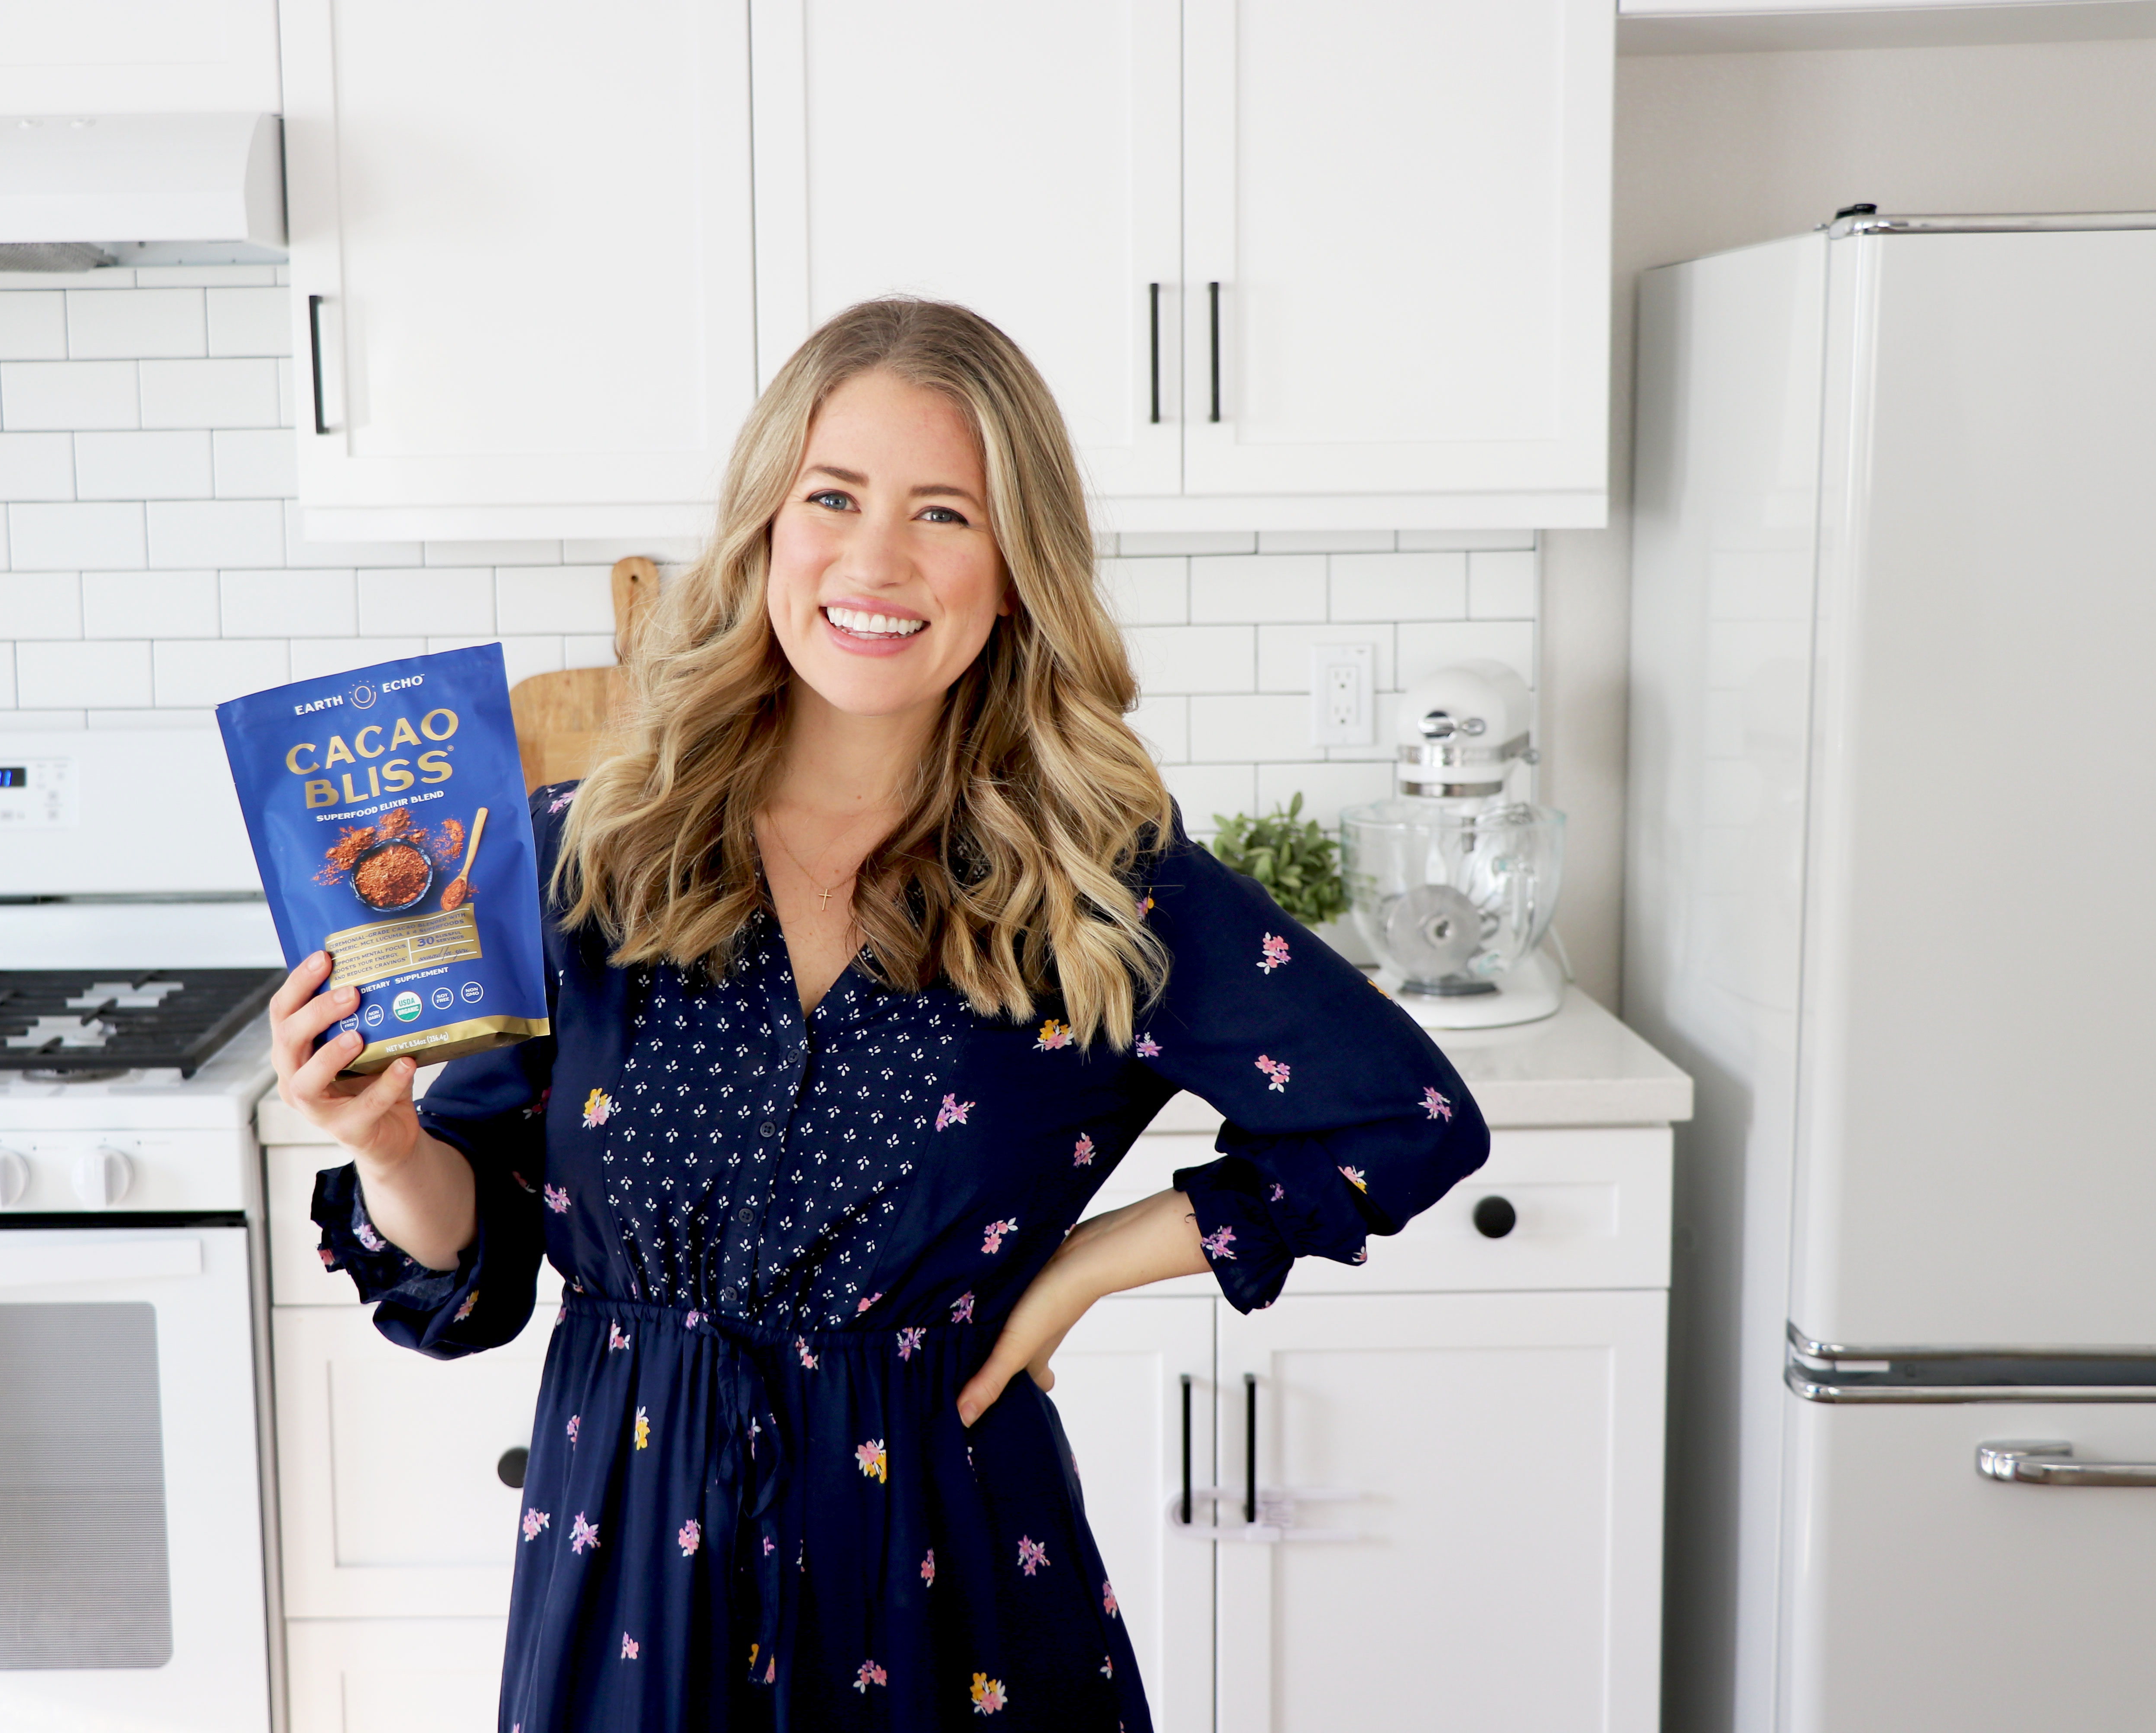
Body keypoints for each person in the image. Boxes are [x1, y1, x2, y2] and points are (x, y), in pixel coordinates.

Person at [270, 298, 1489, 1731]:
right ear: (766, 534)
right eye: (832, 497)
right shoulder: (583, 854)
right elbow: (468, 1280)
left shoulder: (1096, 883)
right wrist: (387, 1142)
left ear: (1016, 569)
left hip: (947, 1583)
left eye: (944, 514)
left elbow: (1406, 1119)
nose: (875, 560)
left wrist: (1085, 1268)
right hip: (626, 1597)